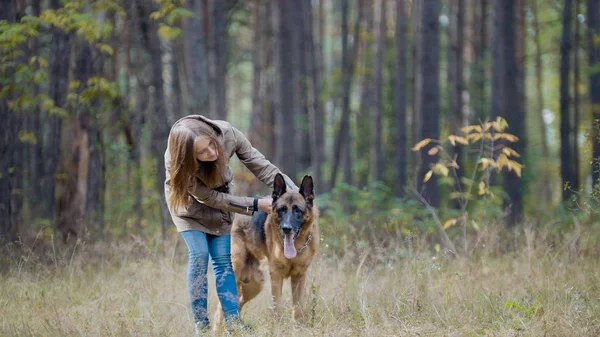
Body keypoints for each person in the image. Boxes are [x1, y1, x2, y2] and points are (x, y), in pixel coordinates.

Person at [164, 114, 297, 334]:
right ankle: (201, 325)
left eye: (211, 145)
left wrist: (292, 192)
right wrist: (256, 204)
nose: (213, 153)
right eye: (202, 153)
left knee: (223, 260)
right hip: (189, 208)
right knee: (199, 255)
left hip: (223, 207)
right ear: (188, 157)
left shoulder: (228, 134)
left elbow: (261, 166)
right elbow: (209, 198)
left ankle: (234, 324)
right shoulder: (176, 159)